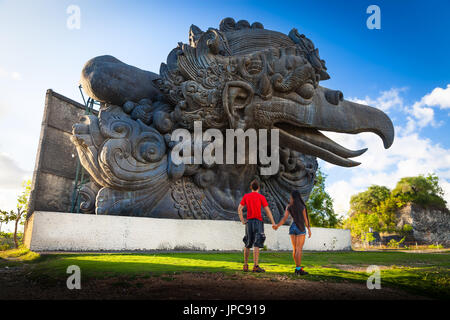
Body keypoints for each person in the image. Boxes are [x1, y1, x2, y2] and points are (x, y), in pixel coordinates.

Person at [237, 180, 276, 273]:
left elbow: (239, 209)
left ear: (251, 187)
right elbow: (267, 210)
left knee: (247, 243)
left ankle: (245, 266)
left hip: (249, 222)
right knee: (257, 244)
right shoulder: (261, 197)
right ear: (258, 188)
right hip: (258, 222)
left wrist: (242, 220)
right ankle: (255, 266)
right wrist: (273, 222)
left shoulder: (246, 196)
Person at [273, 190, 311, 275]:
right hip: (300, 227)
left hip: (292, 227)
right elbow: (306, 220)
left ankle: (298, 267)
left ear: (293, 197)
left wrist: (277, 226)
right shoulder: (302, 206)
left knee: (295, 249)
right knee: (299, 249)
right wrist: (309, 229)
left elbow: (284, 218)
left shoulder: (289, 206)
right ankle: (298, 269)